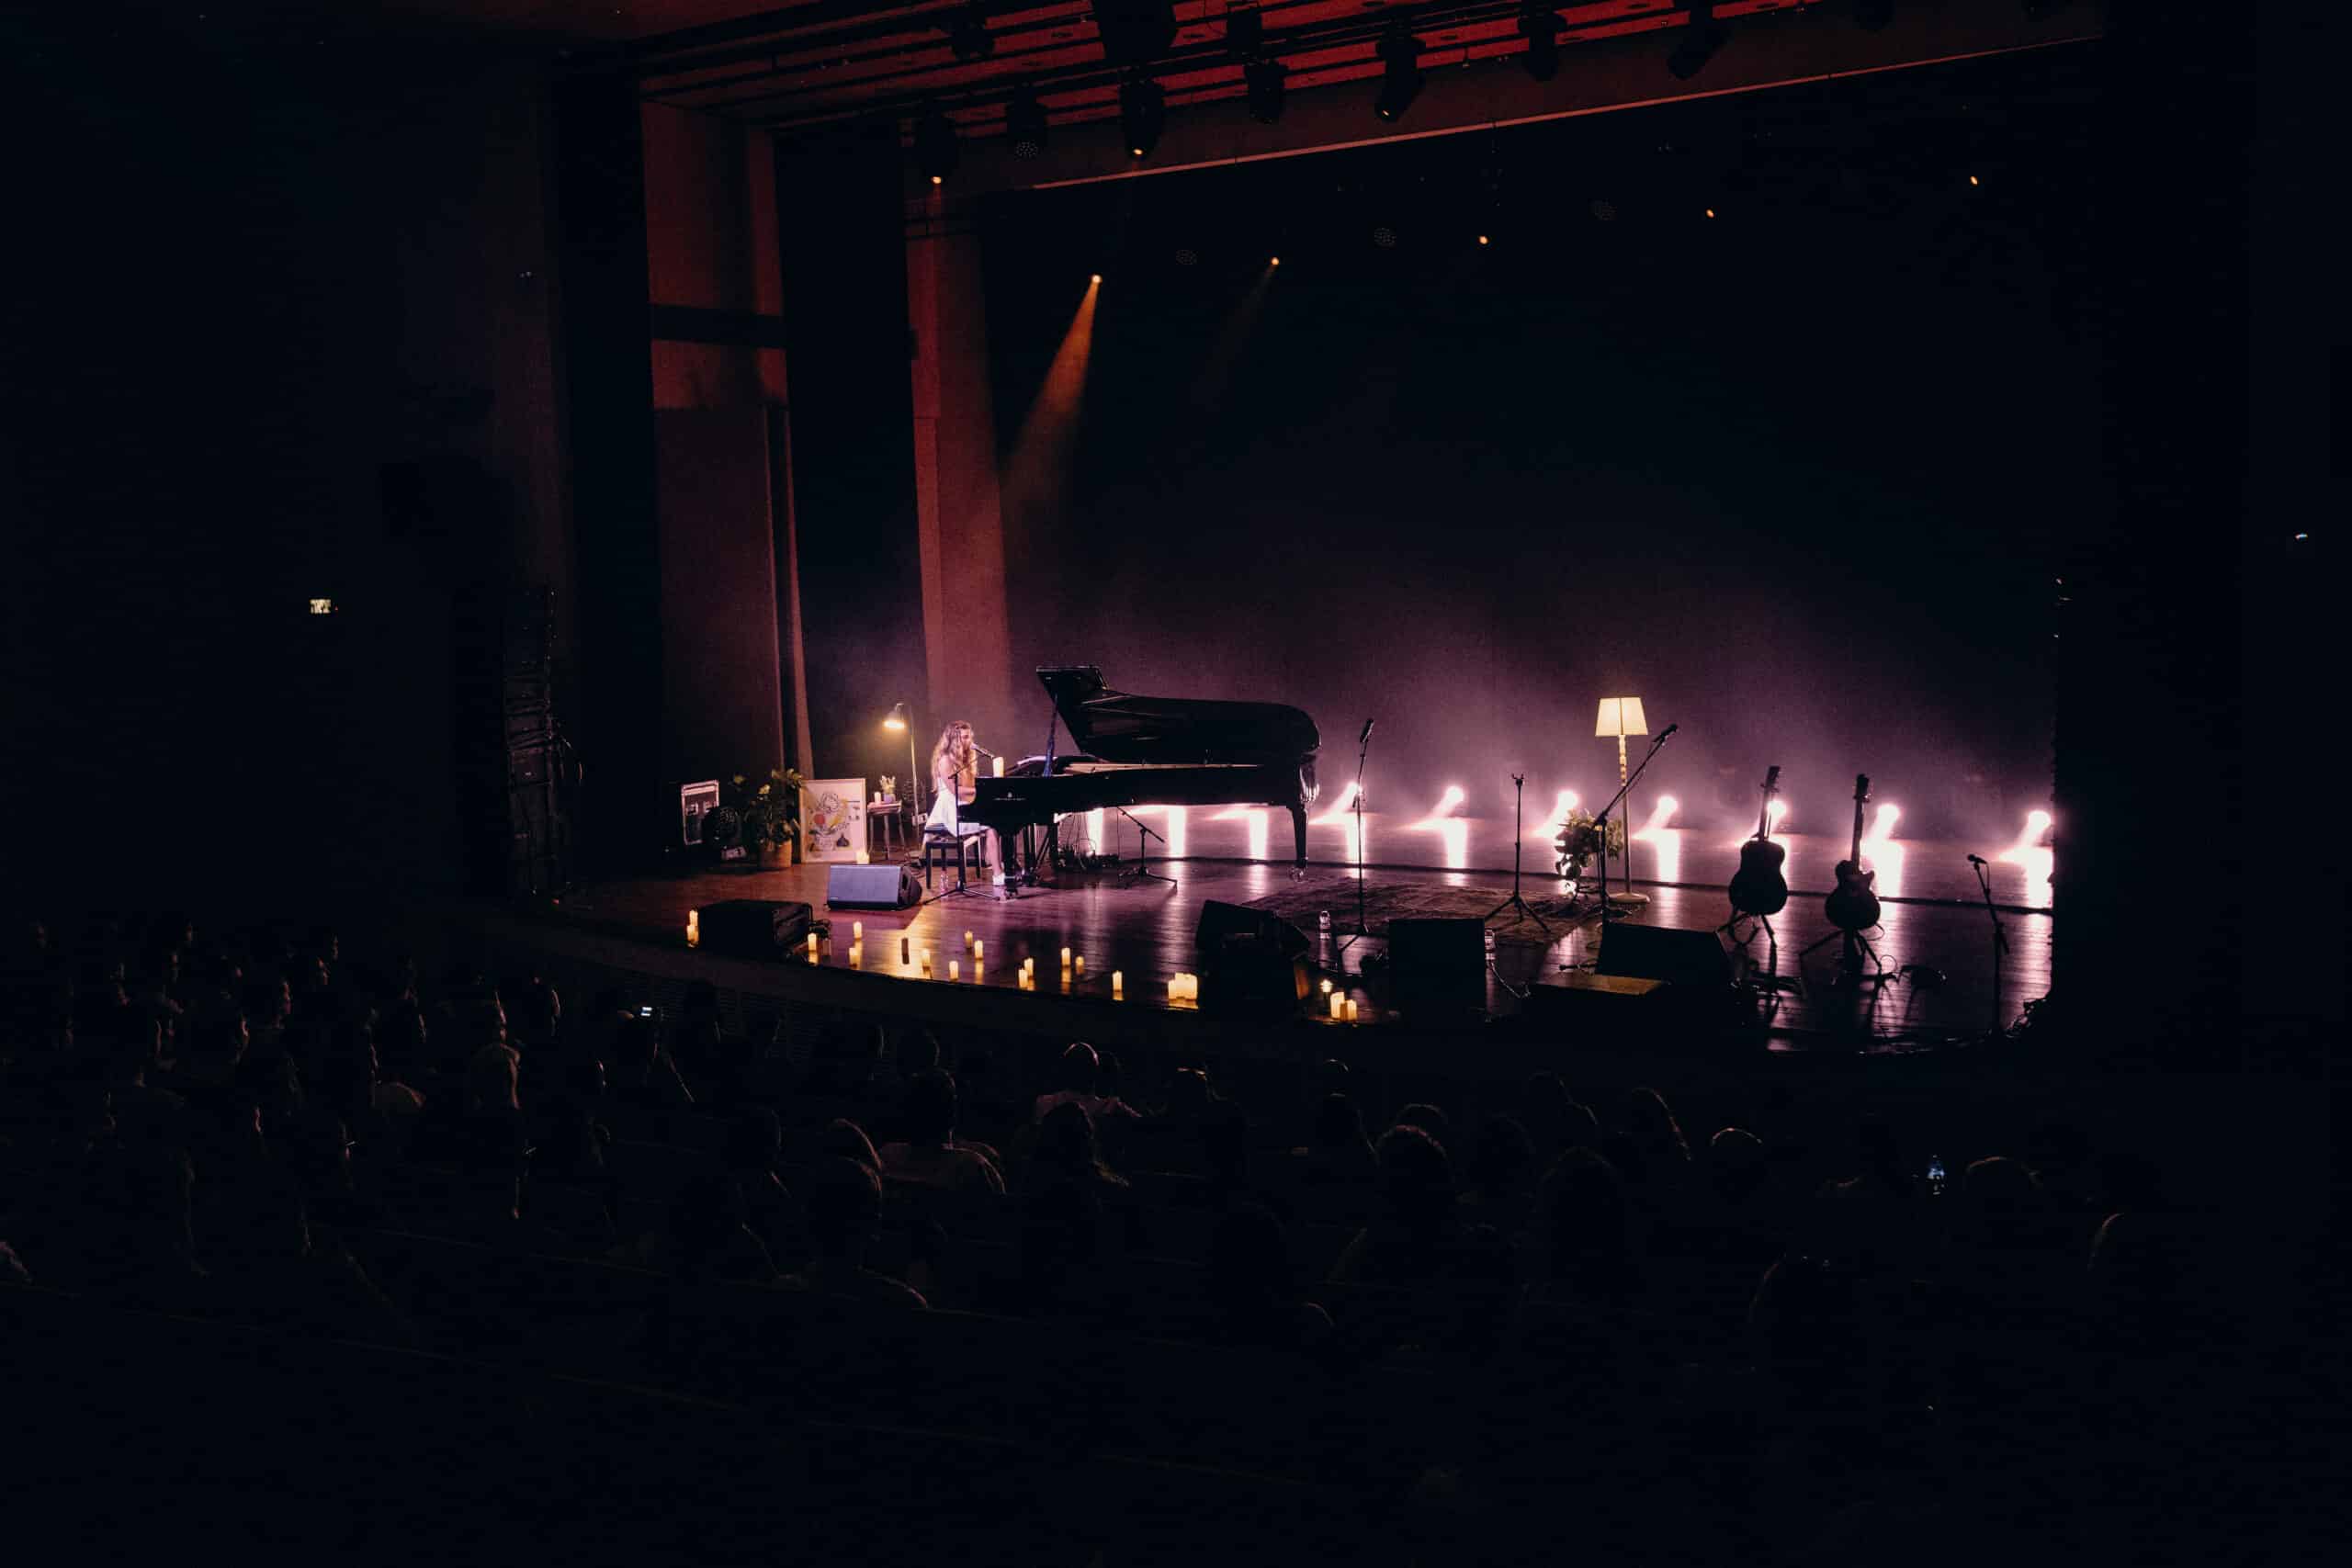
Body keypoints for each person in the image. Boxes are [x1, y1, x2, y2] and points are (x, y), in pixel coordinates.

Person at [924, 719, 1005, 888]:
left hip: (963, 803)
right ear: (955, 739)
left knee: (998, 819)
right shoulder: (945, 760)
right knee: (991, 825)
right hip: (950, 809)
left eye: (970, 737)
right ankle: (998, 874)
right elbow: (955, 790)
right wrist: (979, 791)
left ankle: (995, 863)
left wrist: (984, 788)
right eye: (965, 737)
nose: (970, 741)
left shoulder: (966, 759)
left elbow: (969, 786)